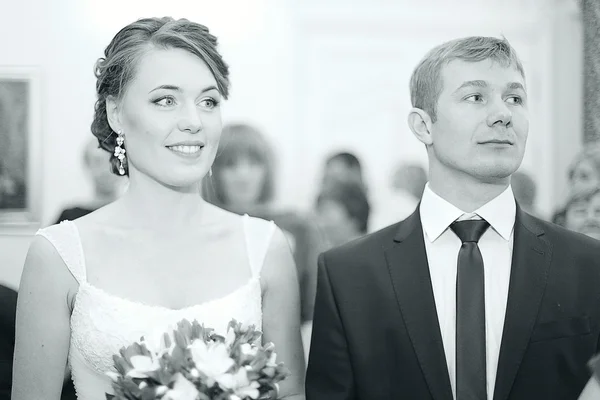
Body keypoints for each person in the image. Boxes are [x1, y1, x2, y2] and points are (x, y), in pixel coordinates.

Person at [12, 17, 305, 400]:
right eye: (165, 100)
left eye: (208, 101)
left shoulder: (266, 247)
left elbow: (289, 392)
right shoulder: (59, 255)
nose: (193, 121)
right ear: (116, 114)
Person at [306, 36, 600, 400]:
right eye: (476, 97)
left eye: (515, 98)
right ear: (423, 126)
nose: (503, 114)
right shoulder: (348, 274)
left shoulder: (589, 264)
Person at [203, 123, 325, 360]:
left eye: (253, 163)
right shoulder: (199, 227)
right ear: (213, 171)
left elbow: (314, 311)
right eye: (230, 164)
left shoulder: (298, 227)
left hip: (286, 363)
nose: (243, 174)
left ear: (267, 169)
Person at [54, 137, 125, 224]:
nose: (106, 170)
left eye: (113, 161)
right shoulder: (69, 219)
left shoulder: (135, 216)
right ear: (87, 165)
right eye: (98, 162)